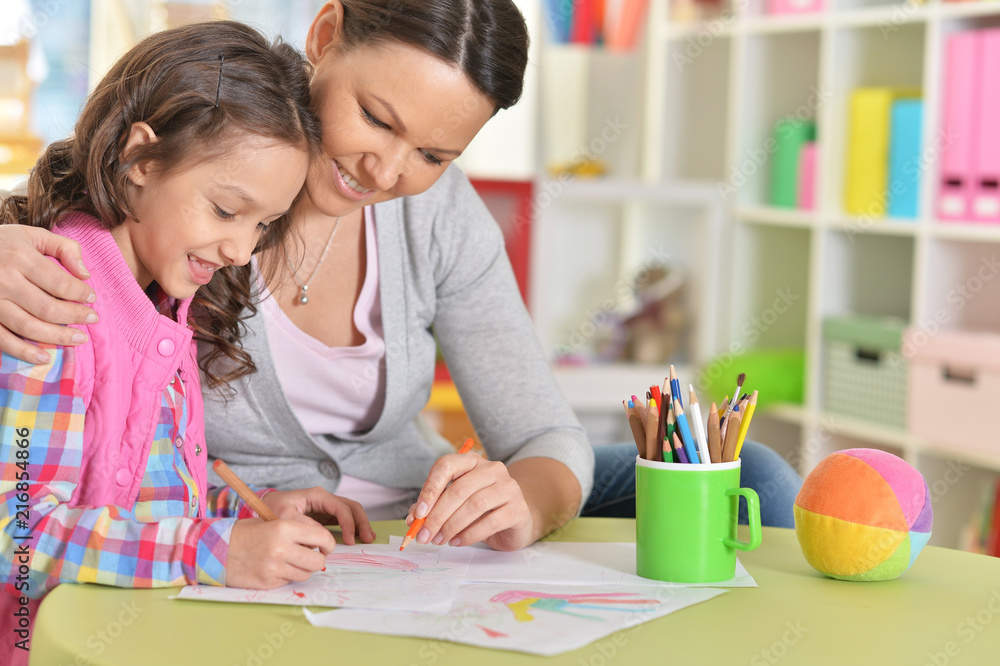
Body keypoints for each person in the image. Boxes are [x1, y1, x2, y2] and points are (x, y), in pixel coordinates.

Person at [0, 0, 800, 555]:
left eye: (433, 154)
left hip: (417, 526)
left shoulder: (439, 215)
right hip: (247, 528)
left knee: (751, 475)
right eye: (377, 118)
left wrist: (524, 503)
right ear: (325, 33)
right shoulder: (202, 184)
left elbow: (543, 434)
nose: (385, 171)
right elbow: (78, 202)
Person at [0, 21, 374, 664]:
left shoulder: (164, 306)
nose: (240, 249)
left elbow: (138, 492)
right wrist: (212, 550)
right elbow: (19, 535)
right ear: (140, 159)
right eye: (227, 211)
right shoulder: (55, 306)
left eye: (263, 224)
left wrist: (246, 511)